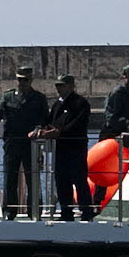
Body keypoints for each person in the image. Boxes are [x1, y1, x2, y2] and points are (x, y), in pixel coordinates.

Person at [0, 67, 50, 219]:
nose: (22, 83)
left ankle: (35, 211)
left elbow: (44, 118)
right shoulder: (8, 97)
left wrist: (38, 129)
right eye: (19, 79)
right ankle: (9, 212)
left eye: (25, 80)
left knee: (33, 179)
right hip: (12, 142)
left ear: (31, 80)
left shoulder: (39, 98)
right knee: (10, 178)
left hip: (31, 144)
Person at [41, 73, 95, 223]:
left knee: (79, 180)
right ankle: (66, 211)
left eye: (62, 85)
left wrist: (59, 132)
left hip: (76, 147)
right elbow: (50, 121)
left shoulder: (81, 103)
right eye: (57, 86)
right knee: (61, 180)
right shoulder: (57, 104)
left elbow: (78, 123)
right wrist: (42, 129)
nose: (58, 89)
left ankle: (86, 211)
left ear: (71, 86)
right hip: (61, 148)